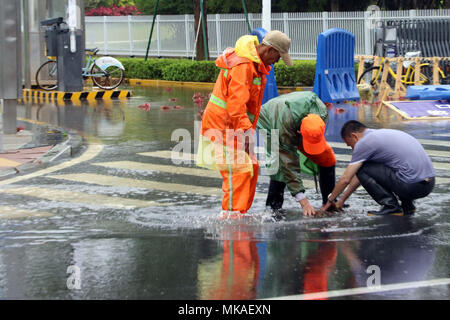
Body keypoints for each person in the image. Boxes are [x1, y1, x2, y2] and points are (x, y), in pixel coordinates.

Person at [197, 30, 293, 218]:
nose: (276, 62)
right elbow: (235, 106)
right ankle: (231, 215)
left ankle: (240, 212)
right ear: (269, 50)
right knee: (239, 170)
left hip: (233, 126)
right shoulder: (244, 66)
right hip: (223, 126)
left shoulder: (254, 65)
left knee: (252, 166)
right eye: (278, 57)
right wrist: (246, 133)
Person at [322, 120, 436, 216]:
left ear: (354, 136)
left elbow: (346, 178)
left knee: (363, 168)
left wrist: (330, 200)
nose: (352, 149)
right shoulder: (381, 135)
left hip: (411, 186)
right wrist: (342, 200)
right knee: (398, 167)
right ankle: (408, 206)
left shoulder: (364, 143)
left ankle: (391, 206)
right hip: (428, 184)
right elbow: (361, 177)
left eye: (350, 144)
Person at [256, 91, 337, 216]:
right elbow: (287, 163)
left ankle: (329, 202)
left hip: (295, 120)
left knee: (327, 158)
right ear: (299, 132)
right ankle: (273, 207)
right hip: (271, 121)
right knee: (279, 166)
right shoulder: (284, 125)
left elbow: (315, 135)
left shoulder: (322, 113)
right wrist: (304, 202)